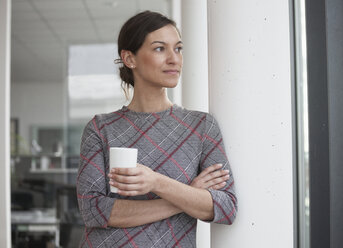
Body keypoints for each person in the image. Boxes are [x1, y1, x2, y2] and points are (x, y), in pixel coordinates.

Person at [77, 10, 237, 248]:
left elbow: (226, 207)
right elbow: (93, 211)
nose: (174, 59)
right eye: (160, 48)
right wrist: (187, 194)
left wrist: (157, 183)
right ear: (130, 58)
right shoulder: (100, 128)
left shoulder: (201, 126)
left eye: (179, 48)